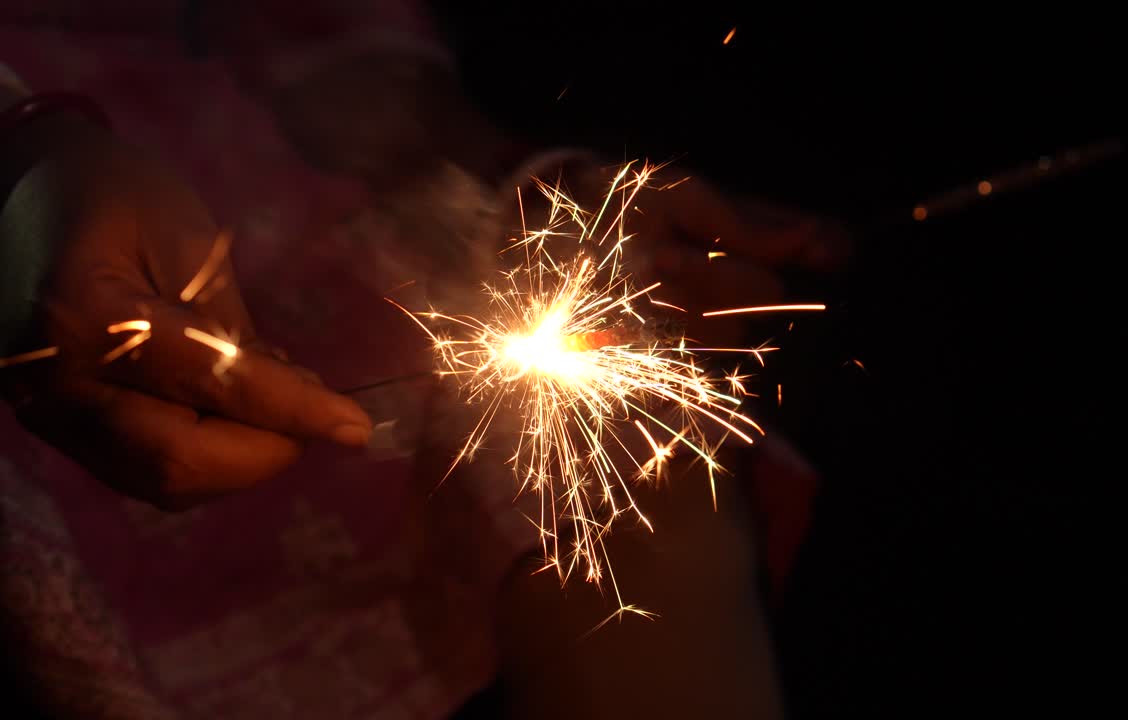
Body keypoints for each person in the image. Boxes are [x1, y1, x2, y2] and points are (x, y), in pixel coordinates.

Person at [1, 2, 841, 717]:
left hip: (304, 198)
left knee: (629, 476)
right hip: (65, 315)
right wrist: (19, 163)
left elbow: (347, 56)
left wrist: (517, 183)